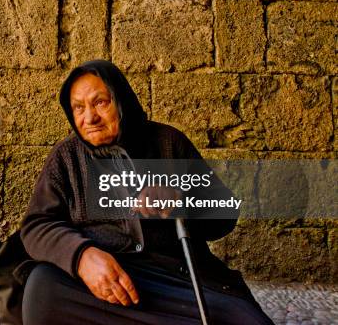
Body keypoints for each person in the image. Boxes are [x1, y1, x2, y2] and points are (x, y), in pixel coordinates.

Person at [19, 60, 274, 325]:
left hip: (174, 280)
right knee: (43, 287)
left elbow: (225, 214)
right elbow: (37, 224)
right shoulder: (67, 157)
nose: (90, 118)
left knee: (246, 320)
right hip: (105, 283)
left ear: (122, 101)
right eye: (78, 108)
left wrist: (181, 201)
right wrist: (81, 256)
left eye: (100, 103)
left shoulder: (167, 143)